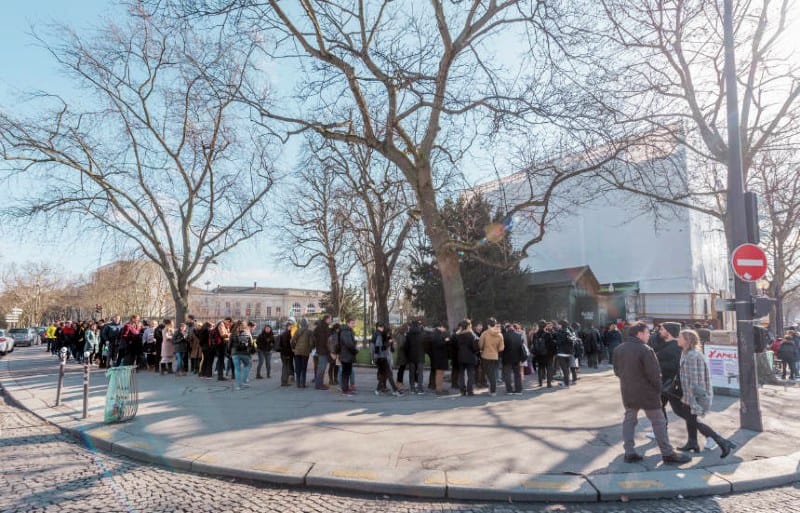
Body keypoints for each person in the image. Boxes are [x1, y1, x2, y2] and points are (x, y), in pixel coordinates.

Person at [613, 321, 691, 465]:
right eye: (647, 332)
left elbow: (617, 371)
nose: (649, 335)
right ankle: (667, 453)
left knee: (629, 420)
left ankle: (629, 452)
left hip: (628, 391)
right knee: (659, 422)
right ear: (640, 333)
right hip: (648, 393)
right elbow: (655, 374)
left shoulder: (619, 349)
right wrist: (657, 389)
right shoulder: (646, 350)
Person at [672, 329, 737, 458]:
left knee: (693, 420)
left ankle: (721, 441)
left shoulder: (693, 355)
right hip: (691, 393)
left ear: (687, 340)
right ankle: (693, 442)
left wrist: (689, 398)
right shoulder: (686, 353)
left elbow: (696, 381)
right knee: (691, 419)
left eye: (680, 337)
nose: (677, 339)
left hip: (695, 395)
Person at [372, 322, 402, 396]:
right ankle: (395, 390)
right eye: (383, 327)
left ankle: (378, 389)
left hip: (380, 358)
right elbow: (380, 348)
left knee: (384, 374)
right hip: (381, 358)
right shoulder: (379, 335)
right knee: (388, 374)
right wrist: (388, 342)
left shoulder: (377, 334)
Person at [478, 318, 504, 396]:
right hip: (495, 356)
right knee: (492, 373)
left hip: (486, 356)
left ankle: (492, 390)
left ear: (488, 325)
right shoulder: (500, 334)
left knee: (489, 374)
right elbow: (501, 348)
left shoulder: (484, 333)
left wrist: (483, 348)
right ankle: (493, 390)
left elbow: (480, 345)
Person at [455, 320, 479, 396]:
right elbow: (476, 346)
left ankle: (462, 391)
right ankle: (470, 390)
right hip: (470, 356)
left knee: (461, 374)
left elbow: (454, 345)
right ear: (469, 326)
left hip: (460, 356)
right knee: (470, 374)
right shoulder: (471, 335)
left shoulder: (457, 335)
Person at [230, 320, 255, 391]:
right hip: (245, 353)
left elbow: (229, 344)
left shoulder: (233, 333)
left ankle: (238, 386)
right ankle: (244, 381)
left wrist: (229, 352)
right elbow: (251, 344)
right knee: (247, 365)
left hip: (235, 353)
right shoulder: (247, 333)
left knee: (237, 369)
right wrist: (251, 352)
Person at [501, 323, 525, 395]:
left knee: (507, 375)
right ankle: (518, 390)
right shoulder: (519, 335)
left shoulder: (503, 336)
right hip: (517, 358)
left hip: (506, 358)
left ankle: (509, 390)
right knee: (517, 374)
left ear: (507, 329)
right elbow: (521, 347)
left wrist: (501, 356)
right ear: (513, 329)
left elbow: (502, 348)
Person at [290, 318, 314, 388]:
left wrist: (294, 347)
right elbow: (311, 343)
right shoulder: (309, 332)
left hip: (297, 351)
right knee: (304, 368)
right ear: (307, 324)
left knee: (298, 368)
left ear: (301, 324)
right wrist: (310, 349)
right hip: (305, 352)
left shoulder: (297, 331)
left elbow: (292, 341)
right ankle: (303, 383)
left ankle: (298, 384)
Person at [405, 320, 426, 395]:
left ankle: (412, 389)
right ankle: (420, 389)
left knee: (412, 373)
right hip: (420, 355)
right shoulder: (422, 334)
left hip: (411, 356)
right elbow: (425, 345)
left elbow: (406, 346)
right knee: (420, 373)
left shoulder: (408, 334)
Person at [429, 321, 450, 395]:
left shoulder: (436, 333)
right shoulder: (436, 334)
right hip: (439, 356)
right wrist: (445, 341)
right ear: (441, 327)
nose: (445, 330)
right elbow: (438, 344)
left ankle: (440, 388)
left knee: (440, 373)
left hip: (438, 356)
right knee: (439, 373)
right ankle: (439, 389)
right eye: (444, 328)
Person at [339, 318, 358, 395]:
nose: (354, 325)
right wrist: (355, 350)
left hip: (347, 355)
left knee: (347, 372)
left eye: (354, 323)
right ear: (348, 323)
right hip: (346, 355)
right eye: (352, 323)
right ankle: (345, 390)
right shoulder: (346, 332)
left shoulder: (347, 331)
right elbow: (349, 344)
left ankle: (346, 389)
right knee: (346, 373)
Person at [554, 320, 575, 388]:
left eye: (559, 324)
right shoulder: (569, 331)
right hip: (568, 353)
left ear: (561, 325)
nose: (558, 325)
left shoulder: (560, 332)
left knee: (564, 369)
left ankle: (566, 383)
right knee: (567, 369)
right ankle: (566, 382)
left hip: (561, 353)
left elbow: (558, 342)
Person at [313, 315, 331, 389]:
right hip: (323, 350)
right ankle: (319, 385)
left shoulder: (321, 327)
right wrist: (328, 350)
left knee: (321, 368)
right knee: (321, 368)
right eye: (330, 319)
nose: (331, 320)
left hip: (320, 350)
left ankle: (320, 384)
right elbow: (325, 341)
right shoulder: (323, 327)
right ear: (326, 319)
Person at [278, 320, 295, 387]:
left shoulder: (285, 333)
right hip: (286, 354)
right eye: (291, 326)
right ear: (288, 326)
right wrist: (288, 354)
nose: (291, 327)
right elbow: (286, 345)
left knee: (285, 367)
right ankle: (284, 382)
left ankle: (285, 381)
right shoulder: (287, 334)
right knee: (286, 367)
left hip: (284, 353)